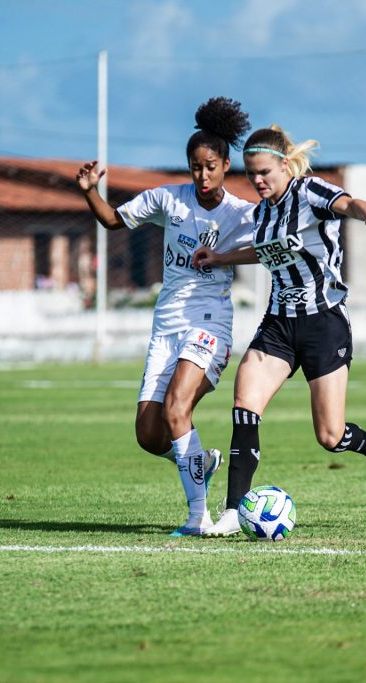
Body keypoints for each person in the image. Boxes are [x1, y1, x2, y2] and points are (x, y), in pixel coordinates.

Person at [192, 125, 366, 537]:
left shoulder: (309, 192)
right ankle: (235, 510)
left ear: (285, 166)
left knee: (330, 435)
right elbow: (266, 249)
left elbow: (346, 203)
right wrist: (221, 257)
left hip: (324, 323)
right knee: (244, 403)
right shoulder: (265, 210)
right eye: (251, 174)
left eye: (264, 173)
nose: (257, 181)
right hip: (278, 323)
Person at [76, 97, 258, 536]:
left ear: (226, 165)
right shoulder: (168, 200)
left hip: (210, 323)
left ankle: (199, 517)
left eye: (211, 166)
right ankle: (199, 461)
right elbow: (113, 221)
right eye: (195, 166)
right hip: (166, 328)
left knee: (177, 408)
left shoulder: (241, 213)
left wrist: (222, 257)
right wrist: (89, 192)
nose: (203, 175)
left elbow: (265, 250)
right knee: (149, 435)